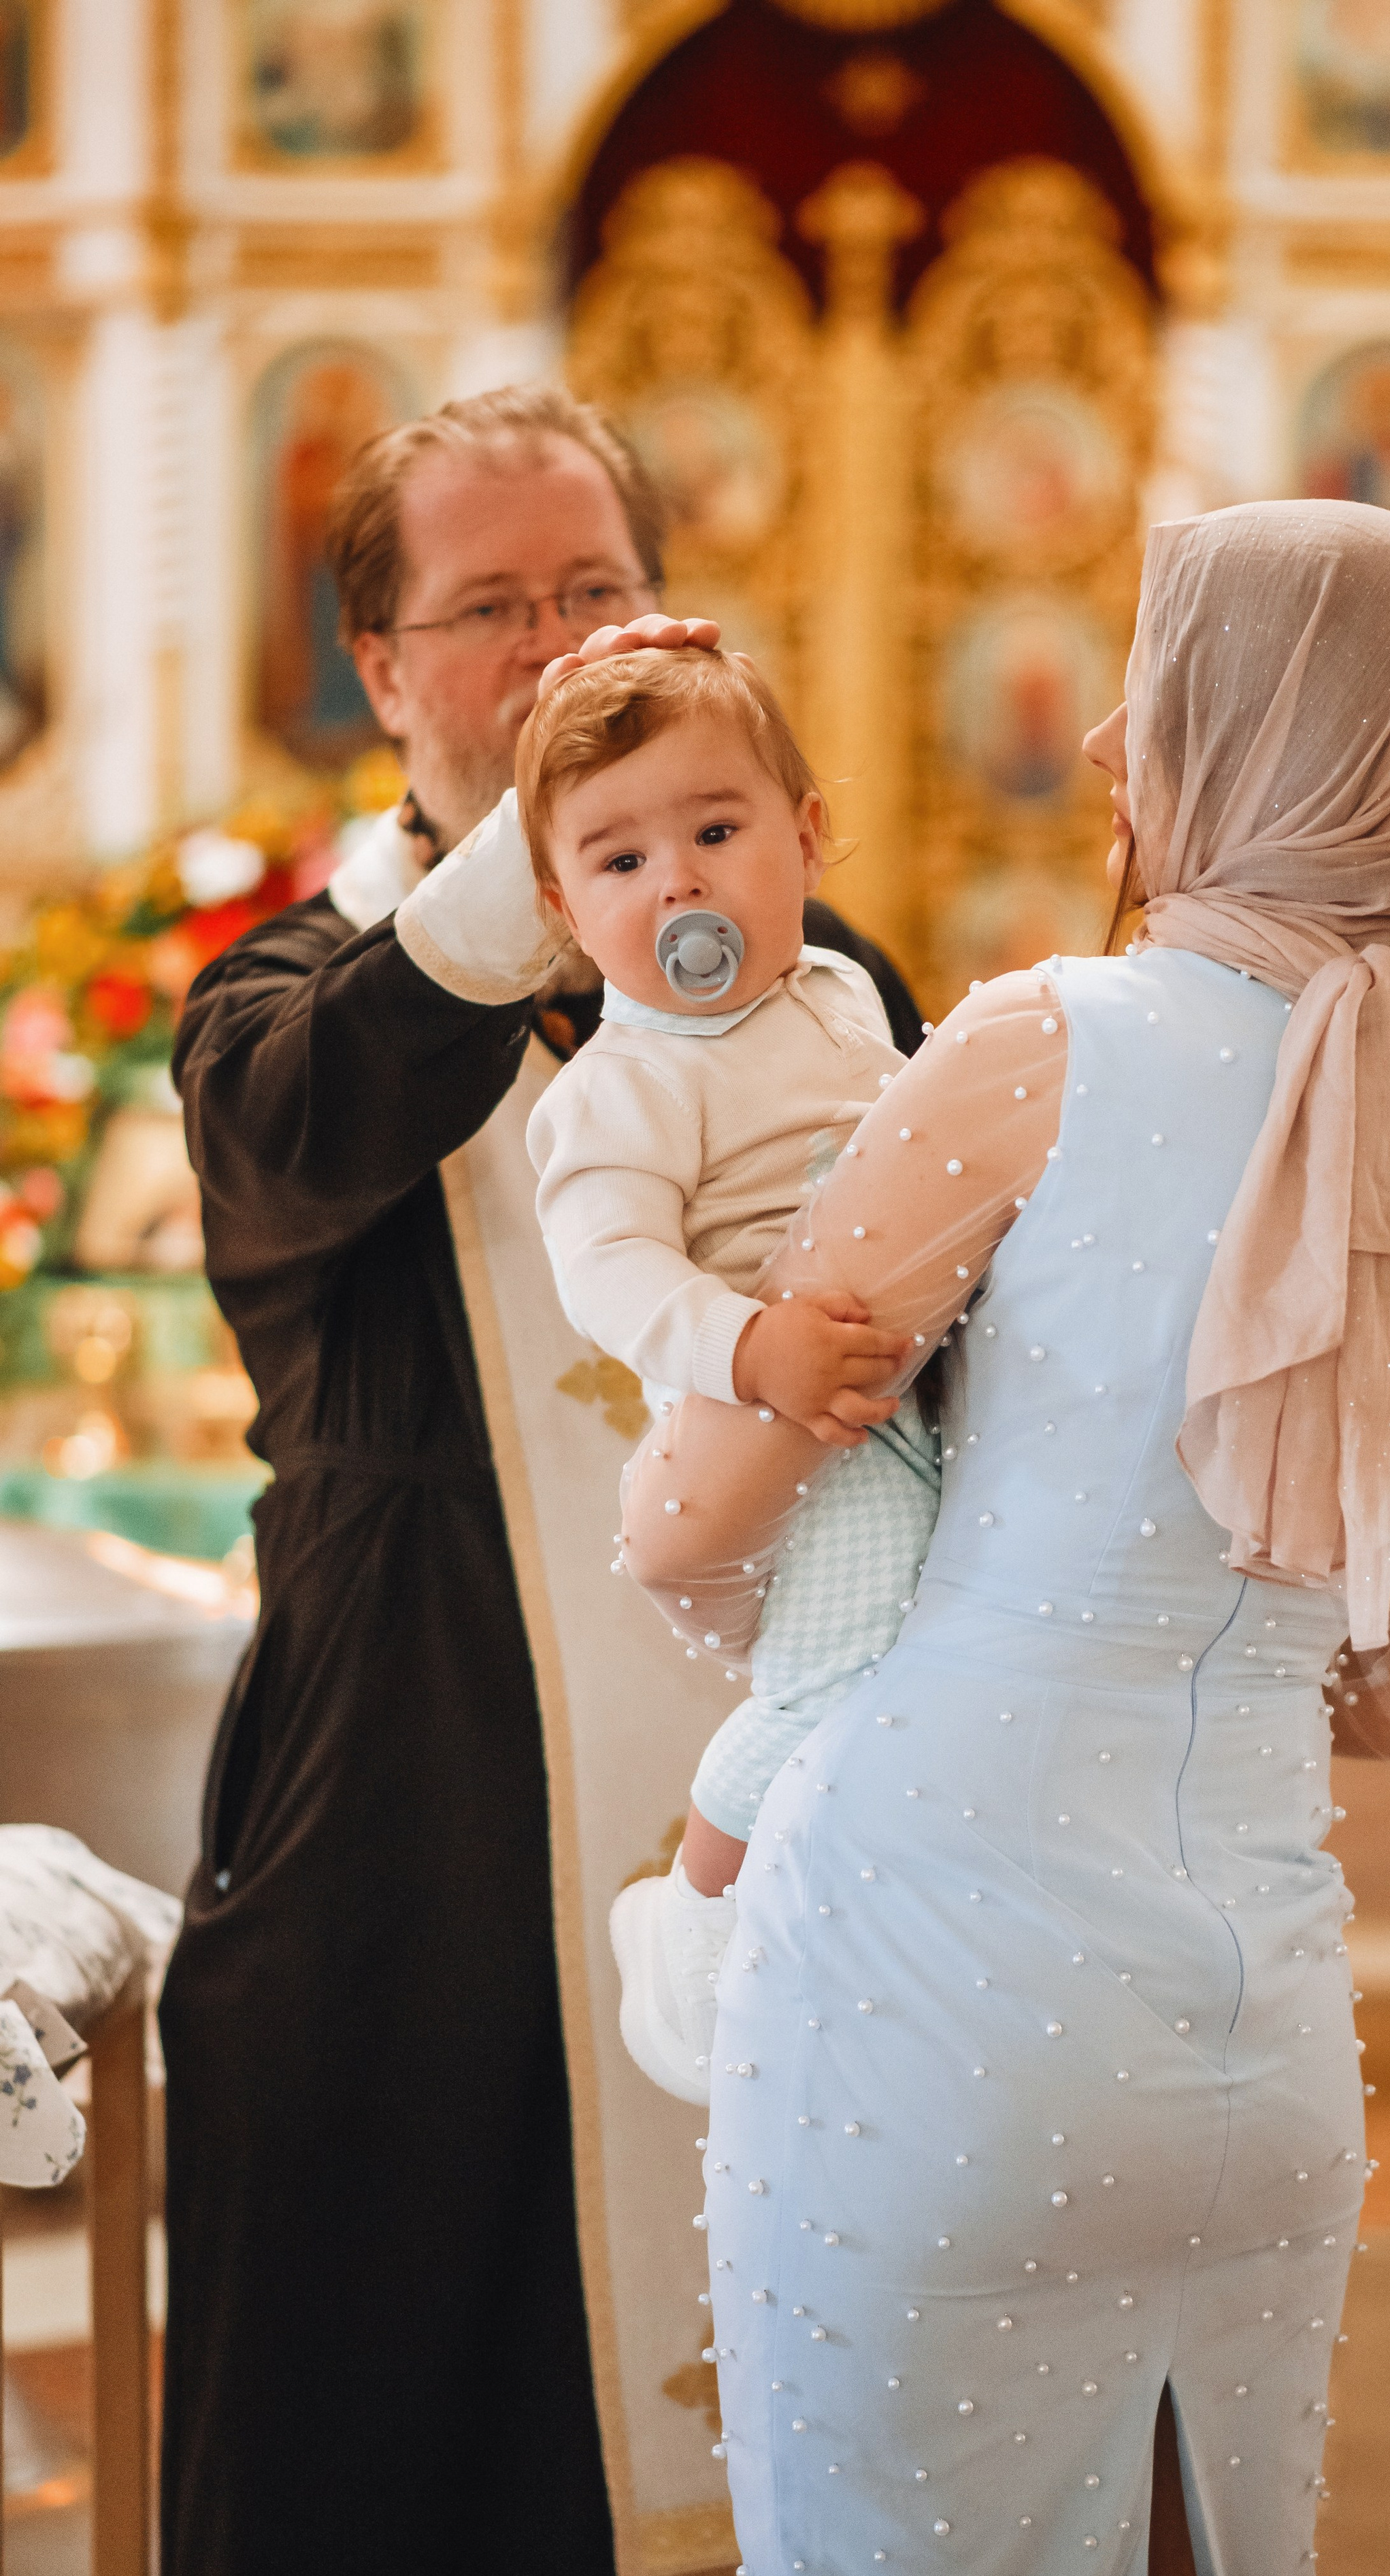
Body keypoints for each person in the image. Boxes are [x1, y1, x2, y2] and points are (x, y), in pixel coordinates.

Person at [618, 498, 1390, 2576]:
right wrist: (1211, 1639)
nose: (1101, 755)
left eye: (1157, 703)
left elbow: (693, 1517)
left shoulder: (1043, 1041)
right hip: (1262, 2042)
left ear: (1264, 742)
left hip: (922, 1982)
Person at [163, 384, 921, 2576]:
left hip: (790, 1820)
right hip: (417, 1838)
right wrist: (531, 869)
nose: (563, 651)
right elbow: (303, 1133)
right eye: (491, 612)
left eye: (599, 591)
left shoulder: (818, 978)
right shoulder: (291, 999)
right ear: (385, 674)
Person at [508, 645, 938, 2100]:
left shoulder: (834, 992)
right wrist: (753, 1348)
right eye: (620, 858)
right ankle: (688, 1916)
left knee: (937, 1665)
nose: (676, 885)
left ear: (806, 838)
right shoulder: (619, 1087)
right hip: (781, 1439)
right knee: (841, 1681)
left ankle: (854, 1932)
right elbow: (612, 1278)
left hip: (899, 1394)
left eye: (714, 831)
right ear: (568, 912)